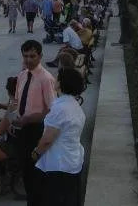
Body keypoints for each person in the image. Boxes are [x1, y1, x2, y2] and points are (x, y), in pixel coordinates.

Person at [30, 68, 86, 206]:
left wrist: (36, 152)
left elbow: (48, 139)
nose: (55, 80)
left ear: (61, 83)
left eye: (58, 78)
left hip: (58, 165)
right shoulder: (75, 107)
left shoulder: (60, 108)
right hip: (73, 162)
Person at [13, 40, 57, 204]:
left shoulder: (46, 79)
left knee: (36, 176)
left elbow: (52, 110)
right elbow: (18, 101)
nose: (29, 60)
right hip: (22, 130)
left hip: (37, 130)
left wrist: (30, 118)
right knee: (26, 172)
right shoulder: (22, 76)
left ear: (40, 56)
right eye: (25, 56)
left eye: (32, 56)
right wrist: (12, 119)